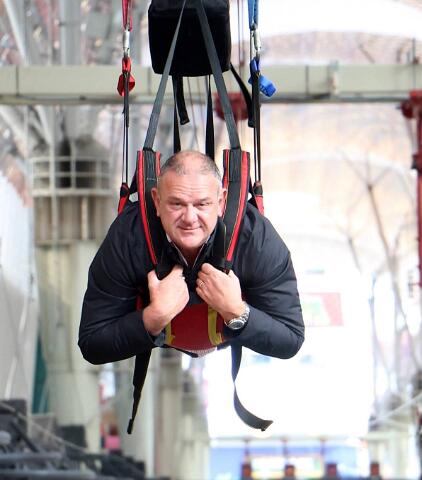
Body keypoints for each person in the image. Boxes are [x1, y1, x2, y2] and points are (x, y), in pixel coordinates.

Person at [78, 150, 304, 365]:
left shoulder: (255, 240)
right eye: (176, 204)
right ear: (156, 201)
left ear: (221, 202)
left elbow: (291, 339)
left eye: (202, 204)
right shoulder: (129, 237)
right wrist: (154, 317)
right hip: (151, 326)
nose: (189, 217)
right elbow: (92, 343)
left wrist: (236, 311)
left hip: (231, 327)